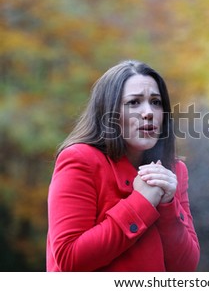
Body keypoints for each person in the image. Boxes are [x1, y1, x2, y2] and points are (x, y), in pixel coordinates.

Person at [46, 60, 200, 271]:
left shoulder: (174, 171)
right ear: (109, 114)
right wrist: (142, 202)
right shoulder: (80, 159)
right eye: (134, 102)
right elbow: (69, 259)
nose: (148, 112)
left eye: (156, 102)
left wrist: (167, 205)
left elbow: (186, 268)